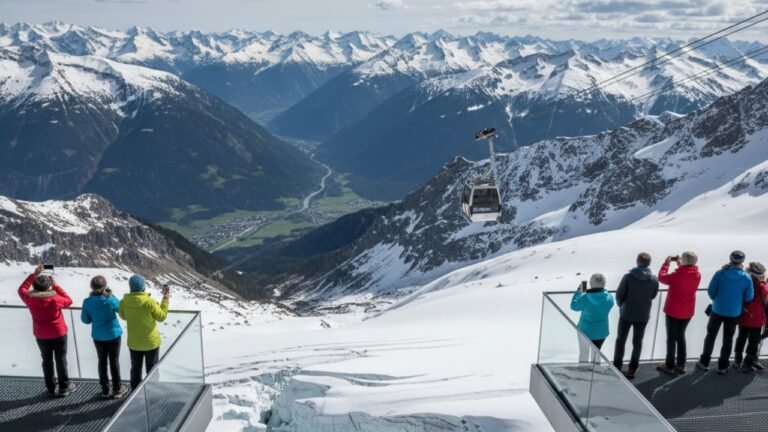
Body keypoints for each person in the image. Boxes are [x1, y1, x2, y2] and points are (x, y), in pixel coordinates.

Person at [17, 265, 75, 397]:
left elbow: (22, 289)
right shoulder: (54, 299)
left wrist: (34, 275)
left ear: (35, 287)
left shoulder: (30, 298)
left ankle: (50, 387)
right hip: (58, 333)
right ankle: (64, 387)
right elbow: (69, 300)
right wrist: (56, 286)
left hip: (41, 335)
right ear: (48, 286)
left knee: (46, 360)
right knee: (61, 359)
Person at [698, 250, 754, 375]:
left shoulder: (720, 273)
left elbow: (711, 291)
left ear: (730, 259)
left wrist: (717, 300)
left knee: (710, 336)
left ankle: (704, 362)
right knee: (728, 339)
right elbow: (749, 296)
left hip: (717, 310)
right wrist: (738, 301)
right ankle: (723, 366)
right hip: (734, 313)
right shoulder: (746, 277)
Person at [613, 253, 660, 379]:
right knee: (637, 342)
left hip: (627, 313)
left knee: (621, 340)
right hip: (643, 314)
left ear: (637, 262)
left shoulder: (628, 277)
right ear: (649, 264)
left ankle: (617, 367)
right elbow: (653, 295)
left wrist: (622, 306)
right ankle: (632, 369)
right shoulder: (654, 279)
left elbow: (619, 295)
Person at [119, 274, 169, 389]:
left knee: (135, 369)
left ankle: (135, 394)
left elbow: (123, 316)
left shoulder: (124, 302)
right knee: (152, 370)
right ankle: (153, 394)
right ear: (143, 287)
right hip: (151, 342)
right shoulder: (149, 302)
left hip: (134, 343)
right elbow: (161, 317)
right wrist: (165, 299)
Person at [656, 252, 701, 375]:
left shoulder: (676, 276)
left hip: (673, 311)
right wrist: (681, 264)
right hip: (687, 311)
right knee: (681, 336)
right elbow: (687, 273)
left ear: (684, 261)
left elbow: (661, 277)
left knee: (671, 338)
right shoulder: (697, 275)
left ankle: (669, 365)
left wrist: (666, 264)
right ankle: (681, 364)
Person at [81, 275, 127, 398]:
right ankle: (117, 388)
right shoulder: (109, 300)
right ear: (104, 287)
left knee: (102, 361)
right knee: (114, 361)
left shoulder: (87, 302)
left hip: (98, 336)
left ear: (92, 287)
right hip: (113, 334)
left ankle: (105, 389)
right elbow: (121, 310)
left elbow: (85, 320)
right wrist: (111, 297)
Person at [570, 274, 615, 363]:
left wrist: (579, 292)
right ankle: (596, 372)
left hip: (585, 331)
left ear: (591, 283)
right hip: (601, 332)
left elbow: (574, 306)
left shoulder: (585, 298)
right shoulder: (609, 298)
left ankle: (583, 372)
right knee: (596, 353)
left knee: (584, 352)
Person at [733, 262, 767, 372]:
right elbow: (766, 302)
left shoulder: (743, 282)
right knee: (754, 341)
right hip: (756, 318)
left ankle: (738, 360)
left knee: (741, 337)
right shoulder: (762, 287)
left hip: (743, 315)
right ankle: (747, 363)